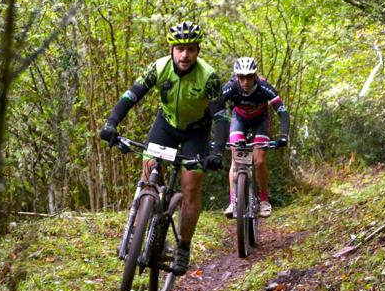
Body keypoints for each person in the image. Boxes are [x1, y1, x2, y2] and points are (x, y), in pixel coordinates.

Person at [99, 21, 229, 276]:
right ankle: (135, 234)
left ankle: (183, 246)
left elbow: (221, 118)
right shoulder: (158, 68)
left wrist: (217, 152)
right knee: (148, 174)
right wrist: (112, 124)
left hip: (196, 131)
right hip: (166, 125)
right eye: (180, 48)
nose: (185, 55)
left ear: (198, 51)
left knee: (190, 186)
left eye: (191, 49)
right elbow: (130, 96)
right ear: (171, 49)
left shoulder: (209, 77)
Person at [220, 57, 290, 219]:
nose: (245, 81)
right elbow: (214, 107)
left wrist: (284, 135)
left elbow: (283, 112)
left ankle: (264, 200)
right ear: (236, 76)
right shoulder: (230, 87)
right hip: (240, 119)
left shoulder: (264, 87)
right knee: (235, 160)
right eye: (242, 77)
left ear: (255, 76)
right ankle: (233, 201)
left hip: (260, 120)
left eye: (249, 77)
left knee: (259, 161)